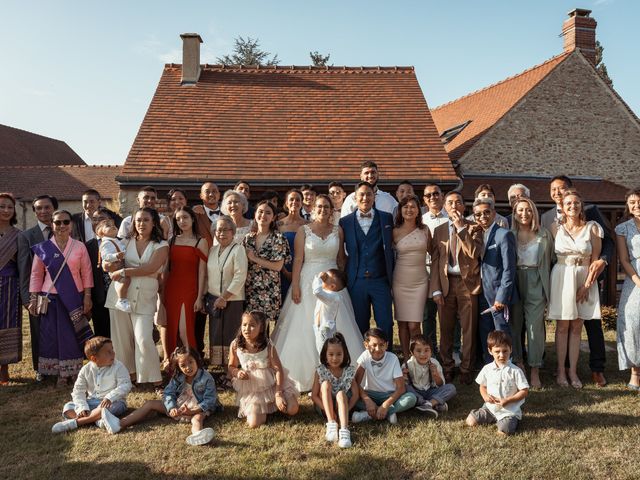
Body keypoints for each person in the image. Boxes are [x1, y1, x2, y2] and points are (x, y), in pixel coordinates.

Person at [274, 195, 363, 391]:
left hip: (332, 283)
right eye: (319, 207)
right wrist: (295, 285)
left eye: (327, 207)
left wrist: (340, 283)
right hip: (307, 280)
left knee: (336, 324)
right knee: (304, 325)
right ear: (313, 209)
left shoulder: (337, 230)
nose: (323, 210)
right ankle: (306, 375)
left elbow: (341, 260)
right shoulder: (303, 231)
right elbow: (298, 260)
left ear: (332, 211)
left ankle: (340, 372)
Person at [541, 175, 613, 387]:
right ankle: (561, 371)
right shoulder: (551, 224)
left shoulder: (592, 223)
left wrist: (588, 284)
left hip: (585, 278)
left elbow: (598, 256)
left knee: (581, 327)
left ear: (580, 203)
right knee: (562, 327)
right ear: (560, 204)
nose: (559, 193)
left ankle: (582, 371)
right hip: (562, 278)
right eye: (554, 190)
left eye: (562, 189)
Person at [101, 346, 218, 446]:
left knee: (197, 419)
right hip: (180, 405)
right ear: (178, 367)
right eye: (183, 365)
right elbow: (168, 393)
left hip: (198, 407)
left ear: (197, 360)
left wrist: (192, 411)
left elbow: (210, 401)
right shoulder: (178, 377)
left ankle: (197, 435)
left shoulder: (206, 378)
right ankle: (120, 424)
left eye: (191, 362)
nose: (188, 367)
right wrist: (172, 407)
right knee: (150, 404)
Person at [28, 209, 94, 386]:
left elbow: (87, 273)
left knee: (72, 335)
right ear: (52, 224)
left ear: (71, 224)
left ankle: (72, 372)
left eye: (66, 222)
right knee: (52, 335)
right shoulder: (43, 248)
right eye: (58, 222)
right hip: (50, 298)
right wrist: (33, 298)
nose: (62, 226)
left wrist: (87, 297)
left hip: (74, 296)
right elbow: (35, 274)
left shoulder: (79, 246)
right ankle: (56, 372)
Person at [105, 207, 168, 386]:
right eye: (138, 220)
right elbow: (110, 261)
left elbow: (151, 267)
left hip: (146, 297)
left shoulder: (161, 245)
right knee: (121, 340)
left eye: (146, 220)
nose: (141, 223)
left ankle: (155, 379)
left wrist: (124, 270)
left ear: (154, 222)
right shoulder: (125, 242)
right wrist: (110, 265)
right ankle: (129, 377)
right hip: (120, 295)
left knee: (143, 339)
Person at [430, 191, 482, 384]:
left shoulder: (474, 227)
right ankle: (447, 366)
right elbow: (436, 261)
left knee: (468, 328)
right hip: (446, 283)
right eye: (450, 202)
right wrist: (435, 289)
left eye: (458, 202)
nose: (454, 206)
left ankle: (467, 368)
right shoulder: (440, 230)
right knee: (445, 328)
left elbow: (474, 252)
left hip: (467, 283)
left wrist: (461, 228)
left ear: (463, 206)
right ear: (444, 206)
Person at [339, 182, 395, 342]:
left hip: (381, 280)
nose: (365, 198)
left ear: (374, 196)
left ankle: (386, 360)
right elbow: (341, 252)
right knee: (358, 323)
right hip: (356, 280)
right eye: (361, 195)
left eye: (369, 194)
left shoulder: (387, 218)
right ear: (355, 198)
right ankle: (360, 359)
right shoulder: (345, 222)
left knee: (385, 323)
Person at [510, 198, 554, 389]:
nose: (524, 213)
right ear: (514, 213)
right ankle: (519, 364)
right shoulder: (509, 234)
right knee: (514, 324)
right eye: (520, 210)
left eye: (528, 210)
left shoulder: (544, 234)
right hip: (514, 281)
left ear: (534, 212)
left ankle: (535, 369)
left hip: (536, 279)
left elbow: (552, 259)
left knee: (535, 327)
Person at [228, 311, 299, 428]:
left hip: (273, 383)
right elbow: (231, 366)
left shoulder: (268, 345)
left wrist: (278, 394)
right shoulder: (236, 345)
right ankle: (262, 409)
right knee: (254, 424)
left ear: (261, 328)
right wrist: (237, 372)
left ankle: (275, 403)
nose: (247, 328)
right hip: (253, 387)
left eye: (252, 325)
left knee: (293, 409)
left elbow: (278, 370)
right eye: (244, 324)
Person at [51, 336, 131, 433]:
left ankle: (76, 423)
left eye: (112, 350)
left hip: (114, 402)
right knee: (68, 407)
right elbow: (78, 390)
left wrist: (110, 397)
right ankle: (98, 420)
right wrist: (82, 407)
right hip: (92, 402)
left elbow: (125, 385)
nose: (113, 353)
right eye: (108, 352)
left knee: (108, 409)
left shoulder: (118, 366)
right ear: (94, 358)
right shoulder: (86, 370)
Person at [473, 198, 518, 364]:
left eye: (486, 212)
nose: (483, 216)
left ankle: (507, 367)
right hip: (482, 292)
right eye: (478, 214)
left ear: (493, 213)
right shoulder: (478, 234)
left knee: (501, 332)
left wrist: (502, 296)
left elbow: (509, 268)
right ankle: (489, 368)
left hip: (498, 294)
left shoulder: (504, 234)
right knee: (485, 331)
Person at [17, 194, 58, 381]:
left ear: (54, 209)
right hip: (38, 293)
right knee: (38, 331)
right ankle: (40, 369)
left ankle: (62, 365)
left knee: (61, 330)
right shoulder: (27, 236)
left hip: (62, 290)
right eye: (39, 208)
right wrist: (27, 298)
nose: (43, 211)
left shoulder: (64, 230)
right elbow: (24, 268)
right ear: (34, 212)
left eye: (47, 207)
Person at [163, 207, 208, 362]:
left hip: (190, 290)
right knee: (171, 330)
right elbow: (166, 269)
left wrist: (199, 297)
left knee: (184, 330)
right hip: (171, 289)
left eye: (185, 218)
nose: (182, 221)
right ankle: (173, 367)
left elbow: (202, 272)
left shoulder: (200, 241)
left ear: (193, 219)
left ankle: (194, 365)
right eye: (178, 219)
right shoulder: (172, 240)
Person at [465, 331, 529, 436]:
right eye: (497, 351)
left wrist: (508, 400)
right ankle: (492, 418)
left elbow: (524, 391)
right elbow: (482, 386)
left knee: (505, 430)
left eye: (505, 351)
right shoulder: (487, 369)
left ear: (511, 350)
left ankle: (508, 421)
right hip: (490, 408)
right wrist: (485, 396)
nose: (501, 355)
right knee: (470, 421)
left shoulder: (516, 371)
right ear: (490, 351)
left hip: (509, 411)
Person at [392, 194, 432, 361]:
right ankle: (407, 359)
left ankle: (418, 356)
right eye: (406, 207)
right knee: (402, 323)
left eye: (413, 207)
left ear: (418, 211)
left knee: (414, 324)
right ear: (401, 210)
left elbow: (435, 253)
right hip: (400, 280)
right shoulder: (394, 231)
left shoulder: (425, 230)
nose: (409, 209)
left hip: (420, 281)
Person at [206, 216, 248, 370]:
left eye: (225, 230)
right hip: (214, 298)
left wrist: (225, 297)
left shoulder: (239, 249)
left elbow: (240, 275)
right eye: (218, 230)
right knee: (216, 334)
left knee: (231, 334)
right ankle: (219, 368)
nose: (221, 233)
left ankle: (232, 369)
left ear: (233, 232)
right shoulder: (212, 250)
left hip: (232, 299)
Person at [351, 328, 417, 424]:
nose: (378, 349)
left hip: (388, 394)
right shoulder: (364, 356)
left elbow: (401, 388)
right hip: (370, 393)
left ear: (387, 345)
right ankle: (387, 413)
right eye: (374, 345)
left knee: (411, 398)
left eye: (381, 345)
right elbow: (356, 383)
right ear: (366, 345)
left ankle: (370, 414)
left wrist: (385, 405)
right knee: (349, 393)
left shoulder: (392, 358)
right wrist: (367, 400)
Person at [243, 201, 291, 324]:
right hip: (250, 288)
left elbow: (278, 266)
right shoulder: (248, 238)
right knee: (250, 324)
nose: (263, 215)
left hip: (269, 289)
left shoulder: (278, 238)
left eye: (268, 213)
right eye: (260, 211)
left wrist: (255, 259)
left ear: (273, 217)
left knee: (264, 327)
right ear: (255, 214)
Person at [310, 333, 358, 449]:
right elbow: (314, 396)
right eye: (331, 354)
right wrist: (330, 412)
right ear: (325, 355)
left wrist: (346, 409)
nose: (335, 358)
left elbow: (356, 395)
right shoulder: (321, 370)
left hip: (341, 406)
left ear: (344, 354)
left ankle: (344, 431)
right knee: (325, 384)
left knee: (341, 393)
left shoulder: (349, 370)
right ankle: (331, 423)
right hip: (324, 407)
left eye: (339, 354)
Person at [615, 188, 640, 390]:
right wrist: (638, 281)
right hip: (635, 278)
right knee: (631, 322)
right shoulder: (623, 228)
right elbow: (623, 259)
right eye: (632, 202)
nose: (637, 205)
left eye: (639, 201)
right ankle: (635, 371)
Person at [421, 184, 449, 354]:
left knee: (448, 314)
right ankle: (430, 349)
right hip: (425, 269)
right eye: (428, 195)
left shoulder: (450, 219)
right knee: (427, 314)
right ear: (424, 199)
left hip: (445, 270)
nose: (433, 197)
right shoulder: (421, 220)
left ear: (442, 196)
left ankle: (451, 349)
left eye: (436, 194)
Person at [404, 335, 456, 418]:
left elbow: (441, 385)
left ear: (431, 351)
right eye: (418, 351)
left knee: (451, 388)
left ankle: (428, 404)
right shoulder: (407, 365)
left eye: (426, 350)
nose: (423, 354)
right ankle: (433, 404)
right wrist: (404, 378)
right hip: (416, 392)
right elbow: (402, 385)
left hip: (430, 391)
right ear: (412, 353)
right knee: (405, 387)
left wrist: (435, 375)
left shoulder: (434, 363)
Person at [0, 193, 22, 384]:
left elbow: (22, 264)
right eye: (2, 206)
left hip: (9, 286)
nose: (6, 210)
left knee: (7, 324)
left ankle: (4, 367)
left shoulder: (18, 235)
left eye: (10, 207)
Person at [95, 219, 131, 313]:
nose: (113, 226)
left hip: (120, 266)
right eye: (108, 225)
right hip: (115, 269)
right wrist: (116, 256)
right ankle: (121, 299)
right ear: (101, 232)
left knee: (126, 280)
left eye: (114, 224)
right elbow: (105, 256)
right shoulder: (106, 243)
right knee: (125, 280)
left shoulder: (115, 240)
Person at [311, 269, 352, 353]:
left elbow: (317, 292)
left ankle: (325, 365)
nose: (323, 279)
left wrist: (319, 278)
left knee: (324, 351)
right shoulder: (328, 294)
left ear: (332, 286)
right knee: (320, 350)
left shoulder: (333, 297)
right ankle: (324, 364)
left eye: (326, 278)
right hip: (320, 327)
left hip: (325, 329)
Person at [277, 189, 307, 300]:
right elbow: (275, 250)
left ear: (302, 203)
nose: (294, 202)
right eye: (291, 199)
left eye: (298, 199)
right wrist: (285, 271)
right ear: (286, 203)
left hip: (304, 270)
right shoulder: (278, 225)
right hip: (283, 269)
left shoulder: (308, 225)